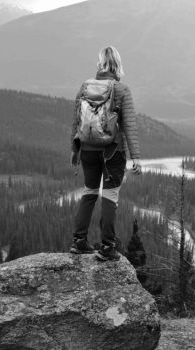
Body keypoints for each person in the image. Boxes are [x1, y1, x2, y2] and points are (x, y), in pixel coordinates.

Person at [70, 46, 142, 261]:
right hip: (112, 152)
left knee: (89, 193)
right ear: (117, 65)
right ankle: (108, 247)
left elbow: (76, 121)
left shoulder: (85, 87)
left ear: (100, 64)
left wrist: (74, 150)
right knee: (110, 197)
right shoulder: (121, 90)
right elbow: (129, 124)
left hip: (88, 151)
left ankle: (78, 241)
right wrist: (136, 157)